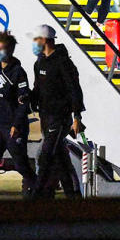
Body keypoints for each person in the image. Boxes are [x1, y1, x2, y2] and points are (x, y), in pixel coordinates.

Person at [0, 32, 36, 200]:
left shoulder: (18, 72)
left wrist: (16, 124)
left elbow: (24, 102)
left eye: (3, 49)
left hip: (12, 127)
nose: (0, 52)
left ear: (10, 50)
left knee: (20, 164)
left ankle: (38, 189)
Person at [29, 24, 85, 199]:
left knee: (45, 157)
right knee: (61, 160)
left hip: (60, 118)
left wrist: (77, 117)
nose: (34, 43)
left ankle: (36, 197)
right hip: (45, 117)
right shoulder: (39, 63)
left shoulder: (63, 63)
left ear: (45, 40)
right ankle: (73, 196)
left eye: (36, 39)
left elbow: (74, 89)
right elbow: (37, 90)